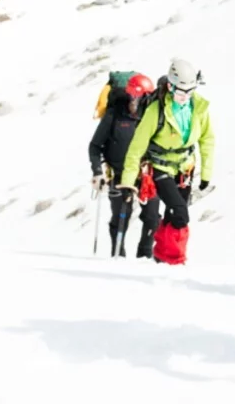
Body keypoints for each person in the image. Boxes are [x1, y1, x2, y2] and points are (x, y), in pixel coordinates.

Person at [119, 58, 216, 265]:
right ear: (170, 86)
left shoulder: (198, 107)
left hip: (185, 168)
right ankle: (174, 260)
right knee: (181, 214)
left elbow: (207, 139)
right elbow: (137, 147)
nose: (185, 97)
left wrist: (206, 174)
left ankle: (161, 258)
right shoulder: (156, 110)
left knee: (173, 215)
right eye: (181, 92)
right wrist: (128, 181)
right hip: (160, 167)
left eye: (190, 91)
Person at [90, 71, 159, 257]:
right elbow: (95, 146)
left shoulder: (152, 117)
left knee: (152, 217)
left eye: (140, 97)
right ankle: (117, 253)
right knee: (121, 215)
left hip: (145, 174)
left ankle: (144, 256)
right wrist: (97, 171)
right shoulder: (114, 115)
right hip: (119, 174)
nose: (135, 101)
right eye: (133, 96)